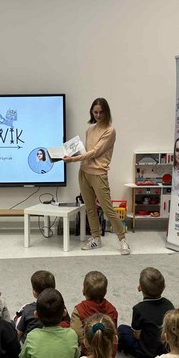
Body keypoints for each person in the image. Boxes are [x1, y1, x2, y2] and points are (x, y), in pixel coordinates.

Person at [63, 97, 130, 255]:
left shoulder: (110, 131)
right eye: (95, 112)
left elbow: (95, 152)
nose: (98, 115)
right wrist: (71, 153)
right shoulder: (89, 130)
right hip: (84, 172)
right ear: (91, 112)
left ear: (106, 112)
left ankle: (123, 240)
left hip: (99, 174)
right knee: (90, 208)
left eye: (101, 112)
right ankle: (96, 238)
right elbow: (86, 152)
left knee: (107, 209)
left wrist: (73, 159)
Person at [19, 288, 79, 358]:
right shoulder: (72, 335)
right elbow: (76, 357)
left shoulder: (32, 336)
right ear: (64, 313)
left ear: (36, 314)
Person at [117, 267, 174, 358]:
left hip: (146, 355)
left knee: (122, 330)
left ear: (139, 288)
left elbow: (137, 335)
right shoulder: (169, 305)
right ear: (164, 287)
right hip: (165, 352)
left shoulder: (139, 309)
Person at [14, 270, 70, 344]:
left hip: (32, 344)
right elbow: (68, 323)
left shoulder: (28, 309)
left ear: (34, 292)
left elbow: (18, 333)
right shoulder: (60, 306)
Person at [70, 270, 118, 354]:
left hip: (88, 352)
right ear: (105, 292)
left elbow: (76, 334)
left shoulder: (79, 310)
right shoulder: (112, 309)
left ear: (84, 291)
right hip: (107, 352)